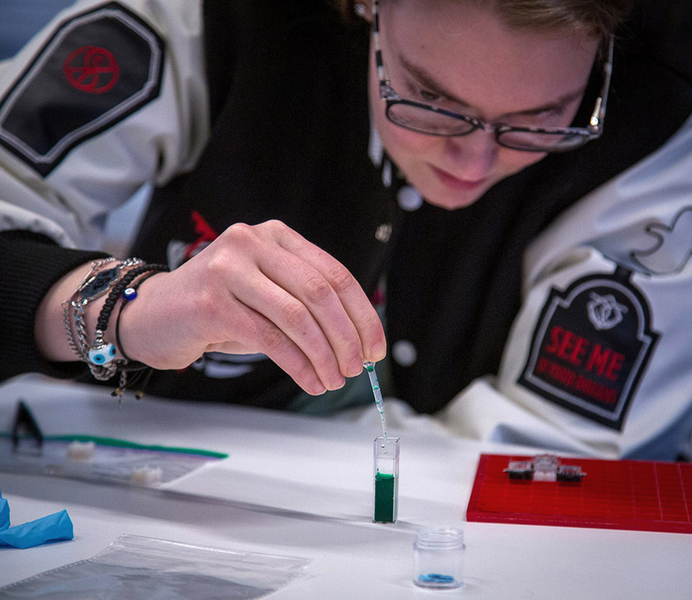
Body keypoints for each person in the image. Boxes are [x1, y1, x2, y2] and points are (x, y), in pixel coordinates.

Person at [1, 0, 690, 459]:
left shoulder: (658, 129)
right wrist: (121, 308)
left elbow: (552, 455)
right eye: (429, 96)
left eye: (542, 117)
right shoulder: (213, 21)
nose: (474, 161)